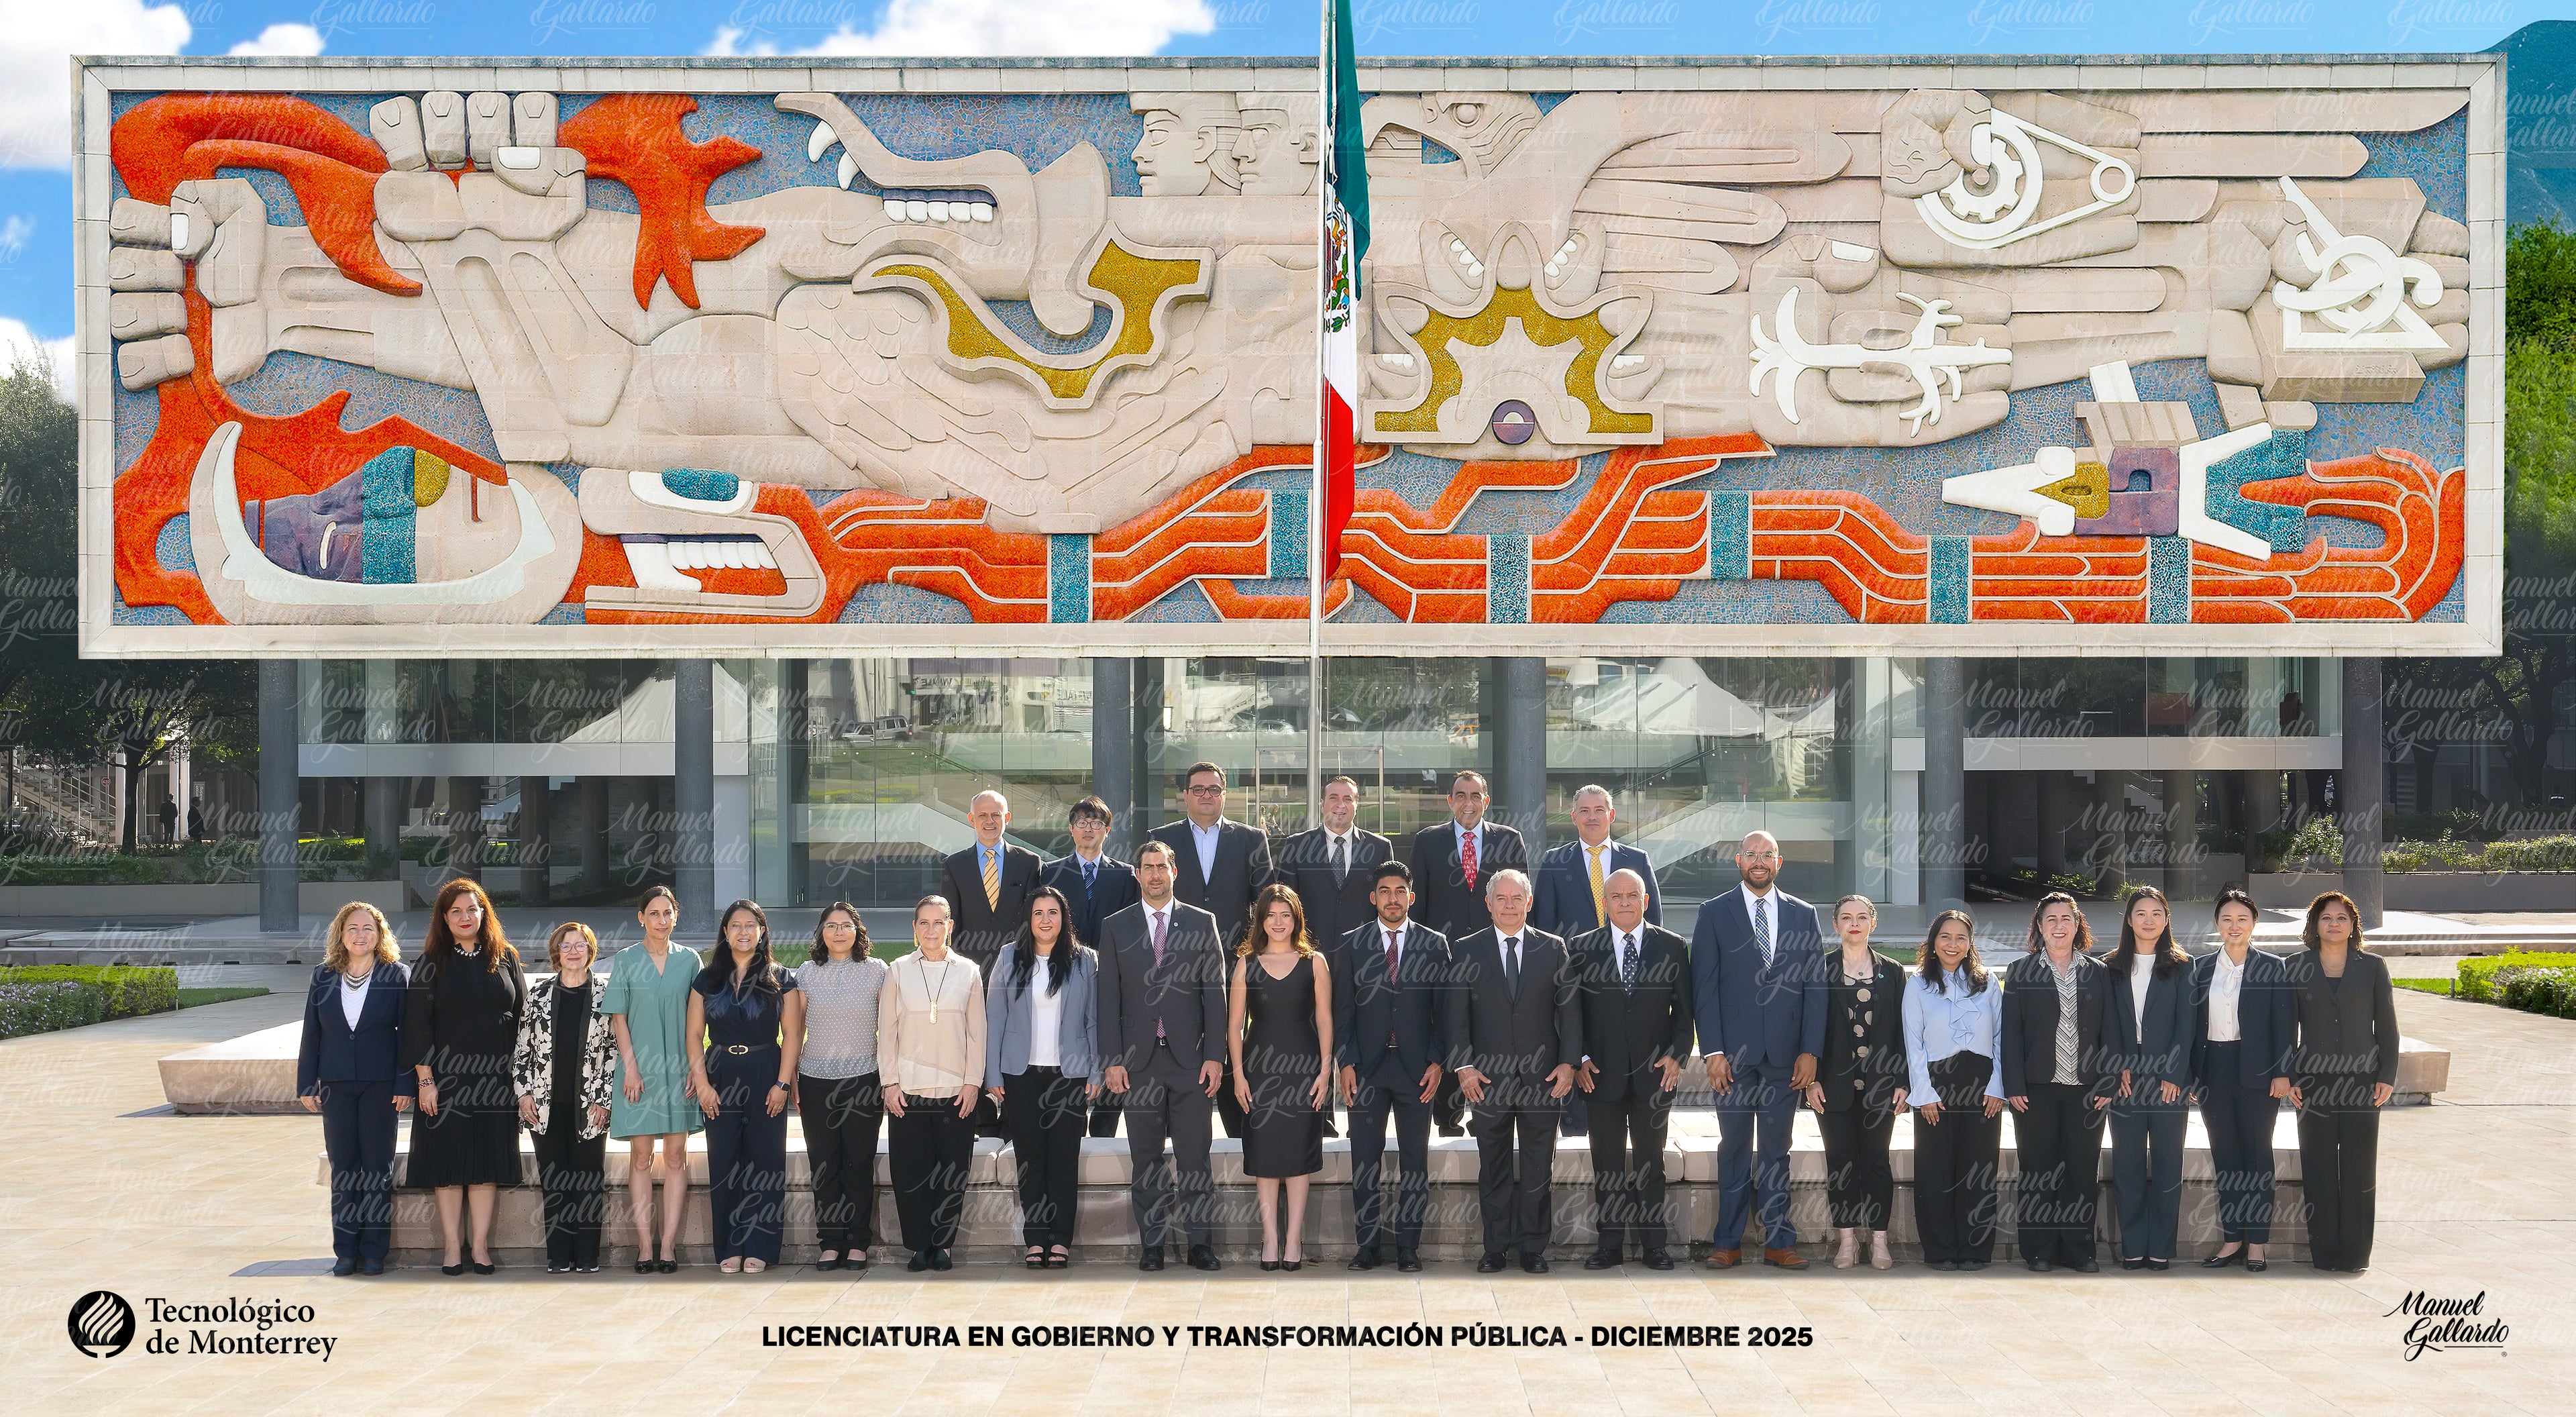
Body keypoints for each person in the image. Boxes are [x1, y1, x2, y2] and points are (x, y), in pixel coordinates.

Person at [1690, 829, 1822, 1269]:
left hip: (1786, 1057)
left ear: (1779, 862)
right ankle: (1727, 1242)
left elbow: (1815, 987)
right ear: (1739, 861)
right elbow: (1704, 989)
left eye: (1767, 855)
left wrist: (1810, 1050)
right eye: (1751, 854)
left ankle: (1779, 1241)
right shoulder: (1713, 912)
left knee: (1776, 1150)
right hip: (1731, 1059)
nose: (1759, 861)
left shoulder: (1804, 915)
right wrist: (1712, 1051)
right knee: (1733, 1147)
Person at [1095, 839, 1229, 1272]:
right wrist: (1112, 1059)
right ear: (1137, 874)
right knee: (1146, 1159)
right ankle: (1152, 1245)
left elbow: (1215, 994)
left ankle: (1200, 1245)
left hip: (1192, 1062)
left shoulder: (1202, 922)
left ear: (1175, 872)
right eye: (1147, 867)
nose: (1155, 874)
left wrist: (1215, 1056)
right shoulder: (1116, 926)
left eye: (1162, 867)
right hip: (1138, 1064)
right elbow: (1107, 998)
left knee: (1195, 1158)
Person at [1445, 868, 1580, 1275]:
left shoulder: (1553, 948)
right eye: (1501, 899)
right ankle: (1495, 1249)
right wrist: (1464, 1067)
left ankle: (1533, 1249)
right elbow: (1455, 1015)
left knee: (1539, 1167)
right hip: (1487, 1081)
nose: (1509, 906)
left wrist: (1568, 1064)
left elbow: (1570, 1012)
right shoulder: (1466, 950)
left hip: (1544, 1080)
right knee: (1494, 1167)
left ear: (1529, 902)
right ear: (1488, 904)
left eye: (1516, 898)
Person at [401, 878, 527, 1276]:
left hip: (497, 1082)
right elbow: (417, 1025)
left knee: (487, 1162)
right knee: (449, 1164)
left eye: (472, 909)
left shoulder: (505, 958)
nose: (465, 916)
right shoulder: (430, 963)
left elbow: (524, 1019)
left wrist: (523, 1083)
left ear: (484, 913)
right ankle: (453, 1247)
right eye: (455, 911)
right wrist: (425, 1081)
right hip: (446, 1082)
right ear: (444, 918)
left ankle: (481, 1247)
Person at [1571, 868, 1693, 1270]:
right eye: (1616, 896)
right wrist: (1580, 1058)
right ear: (1604, 903)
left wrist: (1677, 1055)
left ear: (1645, 900)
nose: (1624, 902)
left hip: (1654, 1076)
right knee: (1606, 1164)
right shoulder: (1582, 947)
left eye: (1632, 895)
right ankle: (1609, 1246)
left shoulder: (1672, 947)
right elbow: (1571, 1013)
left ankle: (1654, 1245)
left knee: (1650, 1163)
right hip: (1599, 1075)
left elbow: (1685, 1013)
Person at [1150, 762, 1274, 1138]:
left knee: (1233, 1038)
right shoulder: (1161, 838)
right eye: (1199, 789)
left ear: (1224, 795)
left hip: (1235, 962)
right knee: (1180, 1038)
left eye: (1214, 789)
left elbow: (1265, 902)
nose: (1207, 795)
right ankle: (1178, 1129)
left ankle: (1239, 1131)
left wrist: (1257, 956)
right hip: (1175, 961)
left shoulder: (1251, 839)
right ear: (1185, 796)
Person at [1336, 859, 1448, 1273]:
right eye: (1385, 891)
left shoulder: (1435, 944)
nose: (1393, 898)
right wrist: (1346, 1062)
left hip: (1417, 1071)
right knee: (1364, 1161)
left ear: (1411, 897)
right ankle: (1367, 1248)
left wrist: (1438, 1061)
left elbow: (1445, 1011)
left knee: (1415, 1162)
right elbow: (1342, 1010)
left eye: (1400, 891)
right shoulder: (1351, 944)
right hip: (1365, 1069)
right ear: (1373, 898)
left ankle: (1408, 1248)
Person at [1535, 784, 1662, 1141]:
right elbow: (1544, 924)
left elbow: (1655, 922)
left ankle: (1627, 1116)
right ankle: (1576, 1123)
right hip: (1575, 976)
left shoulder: (1637, 859)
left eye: (1599, 810)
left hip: (1629, 973)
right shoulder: (1554, 861)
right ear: (1574, 817)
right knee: (1577, 1043)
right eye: (1585, 811)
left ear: (1612, 815)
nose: (1592, 817)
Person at [686, 900, 804, 1274]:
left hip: (766, 1069)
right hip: (720, 1073)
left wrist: (782, 1083)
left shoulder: (781, 978)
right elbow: (694, 1035)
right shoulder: (707, 979)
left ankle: (761, 1246)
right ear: (725, 932)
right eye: (735, 925)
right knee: (724, 1162)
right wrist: (702, 1083)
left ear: (762, 931)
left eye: (750, 925)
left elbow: (793, 1034)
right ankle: (730, 1246)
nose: (743, 932)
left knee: (766, 1162)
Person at [296, 901, 414, 1275]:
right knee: (344, 1168)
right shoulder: (323, 975)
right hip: (336, 1084)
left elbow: (408, 1034)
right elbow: (312, 1031)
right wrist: (306, 1082)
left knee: (377, 1167)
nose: (360, 935)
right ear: (341, 934)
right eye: (353, 928)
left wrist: (405, 1082)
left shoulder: (397, 975)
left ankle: (375, 1251)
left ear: (380, 935)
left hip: (381, 1085)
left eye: (368, 928)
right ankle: (346, 1251)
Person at [987, 885, 1100, 1270]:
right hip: (1021, 1074)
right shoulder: (1009, 957)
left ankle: (1061, 1240)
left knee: (1064, 1159)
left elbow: (1094, 1020)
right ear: (1029, 919)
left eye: (1053, 912)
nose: (1046, 920)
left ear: (1064, 918)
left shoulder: (1085, 961)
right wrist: (992, 1073)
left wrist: (1096, 1070)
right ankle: (1036, 1238)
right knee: (1030, 1158)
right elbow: (995, 1018)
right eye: (1038, 913)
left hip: (1070, 1075)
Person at [2286, 890, 2400, 1274]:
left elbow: (2387, 1025)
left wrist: (2386, 1075)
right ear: (2314, 925)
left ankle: (2354, 1254)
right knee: (2318, 1166)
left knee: (2359, 1167)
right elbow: (2286, 1027)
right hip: (2313, 1083)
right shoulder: (2295, 966)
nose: (2334, 924)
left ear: (2353, 926)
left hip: (2361, 1082)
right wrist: (2291, 1075)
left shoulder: (2373, 967)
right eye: (2326, 918)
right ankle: (2325, 1253)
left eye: (2341, 918)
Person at [1408, 770, 1527, 1136]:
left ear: (1486, 801)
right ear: (1450, 801)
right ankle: (1447, 1117)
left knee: (1490, 1029)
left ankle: (1486, 1114)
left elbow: (1522, 900)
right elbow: (1418, 906)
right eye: (1460, 795)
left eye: (1476, 796)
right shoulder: (1428, 841)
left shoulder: (1509, 840)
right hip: (1443, 959)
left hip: (1494, 955)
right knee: (1448, 1027)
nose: (1468, 803)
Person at [2000, 891, 2113, 1273]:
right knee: (2038, 1170)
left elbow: (2110, 1030)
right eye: (2051, 919)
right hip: (2036, 1090)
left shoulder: (2098, 971)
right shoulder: (2020, 971)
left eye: (2067, 918)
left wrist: (2108, 1081)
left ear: (2078, 925)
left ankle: (2079, 1250)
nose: (2059, 926)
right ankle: (2039, 1250)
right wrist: (2014, 1085)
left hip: (2087, 1089)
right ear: (2039, 926)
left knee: (2081, 1171)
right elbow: (2011, 1033)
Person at [1275, 774, 1388, 1145]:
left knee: (1363, 1036)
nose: (1341, 805)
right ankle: (1319, 1117)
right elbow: (1286, 905)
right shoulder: (1297, 846)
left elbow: (1387, 904)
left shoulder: (1380, 848)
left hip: (1363, 962)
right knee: (1313, 1037)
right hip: (1311, 960)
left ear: (1357, 805)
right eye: (1334, 798)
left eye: (1348, 799)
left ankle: (1362, 1115)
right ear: (1322, 804)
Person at [1228, 883, 1335, 1270]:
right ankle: (1270, 1239)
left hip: (1304, 1070)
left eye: (1285, 915)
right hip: (1259, 1071)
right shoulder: (1246, 963)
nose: (1278, 922)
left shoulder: (1315, 962)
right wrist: (1238, 1076)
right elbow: (1234, 1026)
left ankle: (1293, 1241)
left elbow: (1325, 1019)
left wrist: (1326, 1070)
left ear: (1296, 920)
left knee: (1299, 1154)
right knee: (1266, 1153)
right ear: (1261, 920)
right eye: (1271, 915)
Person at [880, 894, 988, 1272]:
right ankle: (918, 1245)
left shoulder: (969, 971)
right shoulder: (897, 970)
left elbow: (977, 1032)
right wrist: (890, 1083)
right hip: (908, 1092)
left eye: (938, 922)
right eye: (924, 923)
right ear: (914, 929)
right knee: (910, 1173)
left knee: (952, 1172)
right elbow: (887, 1031)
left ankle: (943, 1244)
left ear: (950, 926)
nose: (931, 930)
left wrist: (973, 1082)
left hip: (956, 1091)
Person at [2190, 886, 2294, 1273]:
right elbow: (2191, 1027)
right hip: (2213, 1070)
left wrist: (2283, 1072)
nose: (2234, 926)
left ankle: (2258, 1245)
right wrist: (2191, 1075)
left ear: (2254, 923)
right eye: (2227, 919)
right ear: (2217, 924)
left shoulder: (2273, 966)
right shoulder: (2200, 968)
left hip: (2259, 1072)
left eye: (2242, 919)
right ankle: (2232, 1240)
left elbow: (2284, 1024)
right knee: (2226, 1157)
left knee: (2258, 1157)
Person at [1805, 895, 1909, 1272]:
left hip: (1881, 1084)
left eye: (1862, 917)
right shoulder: (1820, 968)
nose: (1854, 923)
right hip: (1832, 1086)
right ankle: (1847, 1241)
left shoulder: (1893, 972)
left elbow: (1904, 1031)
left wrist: (1903, 1080)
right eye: (1846, 918)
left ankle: (1879, 1241)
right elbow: (1809, 1027)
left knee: (1876, 1162)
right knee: (1841, 1163)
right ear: (1835, 925)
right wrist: (1812, 1081)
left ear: (1873, 924)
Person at [605, 885, 702, 1273]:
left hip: (680, 1070)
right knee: (641, 1157)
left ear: (675, 917)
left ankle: (668, 1247)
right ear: (641, 917)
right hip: (639, 1073)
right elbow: (618, 1018)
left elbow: (699, 1020)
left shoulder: (690, 960)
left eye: (668, 913)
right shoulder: (626, 960)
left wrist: (696, 1068)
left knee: (676, 1157)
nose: (662, 920)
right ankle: (645, 1246)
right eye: (654, 913)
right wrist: (630, 1068)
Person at [1901, 909, 2005, 1271]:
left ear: (1970, 943)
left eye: (1961, 938)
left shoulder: (1989, 982)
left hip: (1982, 1085)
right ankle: (1940, 1249)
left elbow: (2001, 1038)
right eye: (1945, 936)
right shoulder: (1917, 984)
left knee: (1979, 1169)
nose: (1953, 944)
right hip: (1936, 1085)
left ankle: (1976, 1249)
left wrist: (1997, 1086)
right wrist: (1924, 1092)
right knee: (1936, 1169)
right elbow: (1913, 1043)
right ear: (1933, 941)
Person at [512, 922, 616, 1273]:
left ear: (590, 950)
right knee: (554, 1181)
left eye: (580, 945)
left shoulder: (605, 995)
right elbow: (522, 1050)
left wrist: (604, 1099)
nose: (573, 951)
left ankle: (587, 1256)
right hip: (544, 1107)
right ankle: (559, 1256)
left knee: (588, 1180)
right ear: (557, 952)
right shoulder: (539, 994)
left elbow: (614, 1051)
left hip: (591, 1106)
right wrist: (524, 1094)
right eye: (566, 945)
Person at [2106, 884, 2196, 1271]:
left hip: (2167, 1080)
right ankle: (2132, 1246)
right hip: (2125, 1078)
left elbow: (2187, 1025)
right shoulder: (2109, 966)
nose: (2149, 920)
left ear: (2166, 919)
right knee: (2126, 1165)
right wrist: (2116, 1066)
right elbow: (2105, 1024)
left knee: (2167, 1164)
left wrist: (2174, 1073)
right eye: (2141, 913)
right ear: (2129, 919)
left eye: (2157, 913)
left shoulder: (2183, 965)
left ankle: (2160, 1247)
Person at [1040, 796, 1140, 1139]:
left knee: (1112, 1046)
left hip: (1111, 978)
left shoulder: (1125, 875)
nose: (1089, 828)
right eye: (1082, 822)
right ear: (1071, 829)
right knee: (1071, 1046)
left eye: (1096, 823)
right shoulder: (1051, 873)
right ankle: (1069, 1128)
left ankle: (1103, 1133)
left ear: (1107, 830)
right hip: (1064, 977)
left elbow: (1131, 929)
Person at [941, 789, 1039, 1138]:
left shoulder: (1029, 863)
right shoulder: (954, 865)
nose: (989, 821)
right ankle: (982, 1122)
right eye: (982, 815)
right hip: (972, 976)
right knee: (975, 1042)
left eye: (996, 814)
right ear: (971, 819)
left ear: (1007, 818)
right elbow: (951, 926)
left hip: (1019, 974)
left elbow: (1034, 921)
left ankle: (1014, 1120)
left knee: (1016, 1041)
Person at [798, 902, 888, 1271]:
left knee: (858, 1162)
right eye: (831, 926)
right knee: (824, 1163)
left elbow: (891, 1028)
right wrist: (790, 1080)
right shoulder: (806, 972)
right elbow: (794, 1030)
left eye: (846, 925)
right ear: (821, 932)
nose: (839, 932)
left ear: (857, 931)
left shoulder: (877, 971)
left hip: (864, 1080)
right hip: (815, 1081)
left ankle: (858, 1242)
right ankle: (831, 1241)